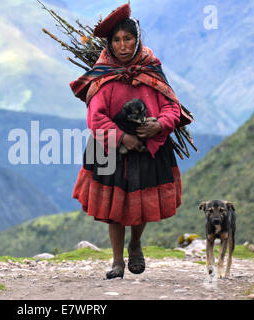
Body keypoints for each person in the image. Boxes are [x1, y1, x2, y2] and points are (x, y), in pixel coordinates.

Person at [70, 4, 191, 279]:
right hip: (110, 150)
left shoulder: (151, 70)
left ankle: (135, 245)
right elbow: (96, 118)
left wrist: (160, 125)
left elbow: (172, 107)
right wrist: (122, 137)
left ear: (137, 40)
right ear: (110, 44)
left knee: (141, 204)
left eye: (128, 39)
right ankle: (116, 261)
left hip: (151, 147)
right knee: (114, 210)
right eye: (117, 40)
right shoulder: (102, 76)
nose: (123, 46)